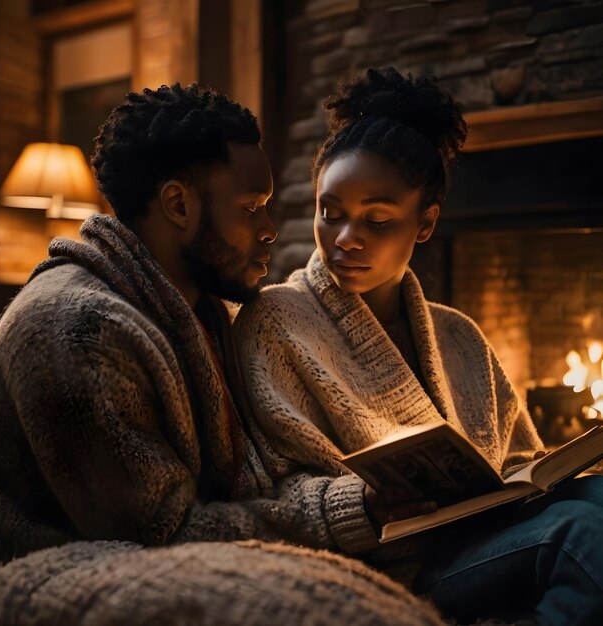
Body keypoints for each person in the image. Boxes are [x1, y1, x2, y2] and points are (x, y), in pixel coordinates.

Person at [234, 67, 603, 626]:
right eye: (329, 213)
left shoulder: (457, 332)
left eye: (377, 219)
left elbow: (520, 458)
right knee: (581, 536)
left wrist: (536, 476)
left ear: (425, 223)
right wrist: (360, 504)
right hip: (399, 563)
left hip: (488, 537)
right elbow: (257, 492)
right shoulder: (275, 321)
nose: (345, 238)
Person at [0, 83, 286, 575]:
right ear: (178, 205)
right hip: (67, 589)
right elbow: (164, 535)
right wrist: (344, 512)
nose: (271, 227)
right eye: (251, 207)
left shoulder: (202, 310)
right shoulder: (77, 331)